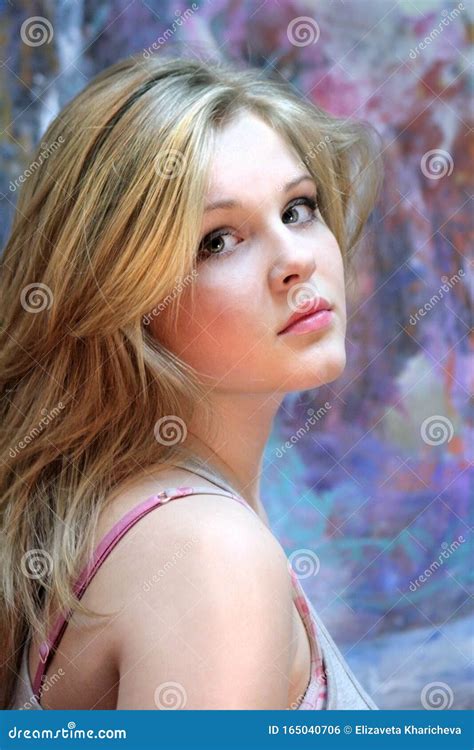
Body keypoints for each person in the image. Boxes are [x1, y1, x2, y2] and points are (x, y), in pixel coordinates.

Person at [0, 53, 383, 710]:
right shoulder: (210, 558)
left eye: (298, 209)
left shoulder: (134, 518)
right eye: (217, 241)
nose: (295, 260)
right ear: (123, 299)